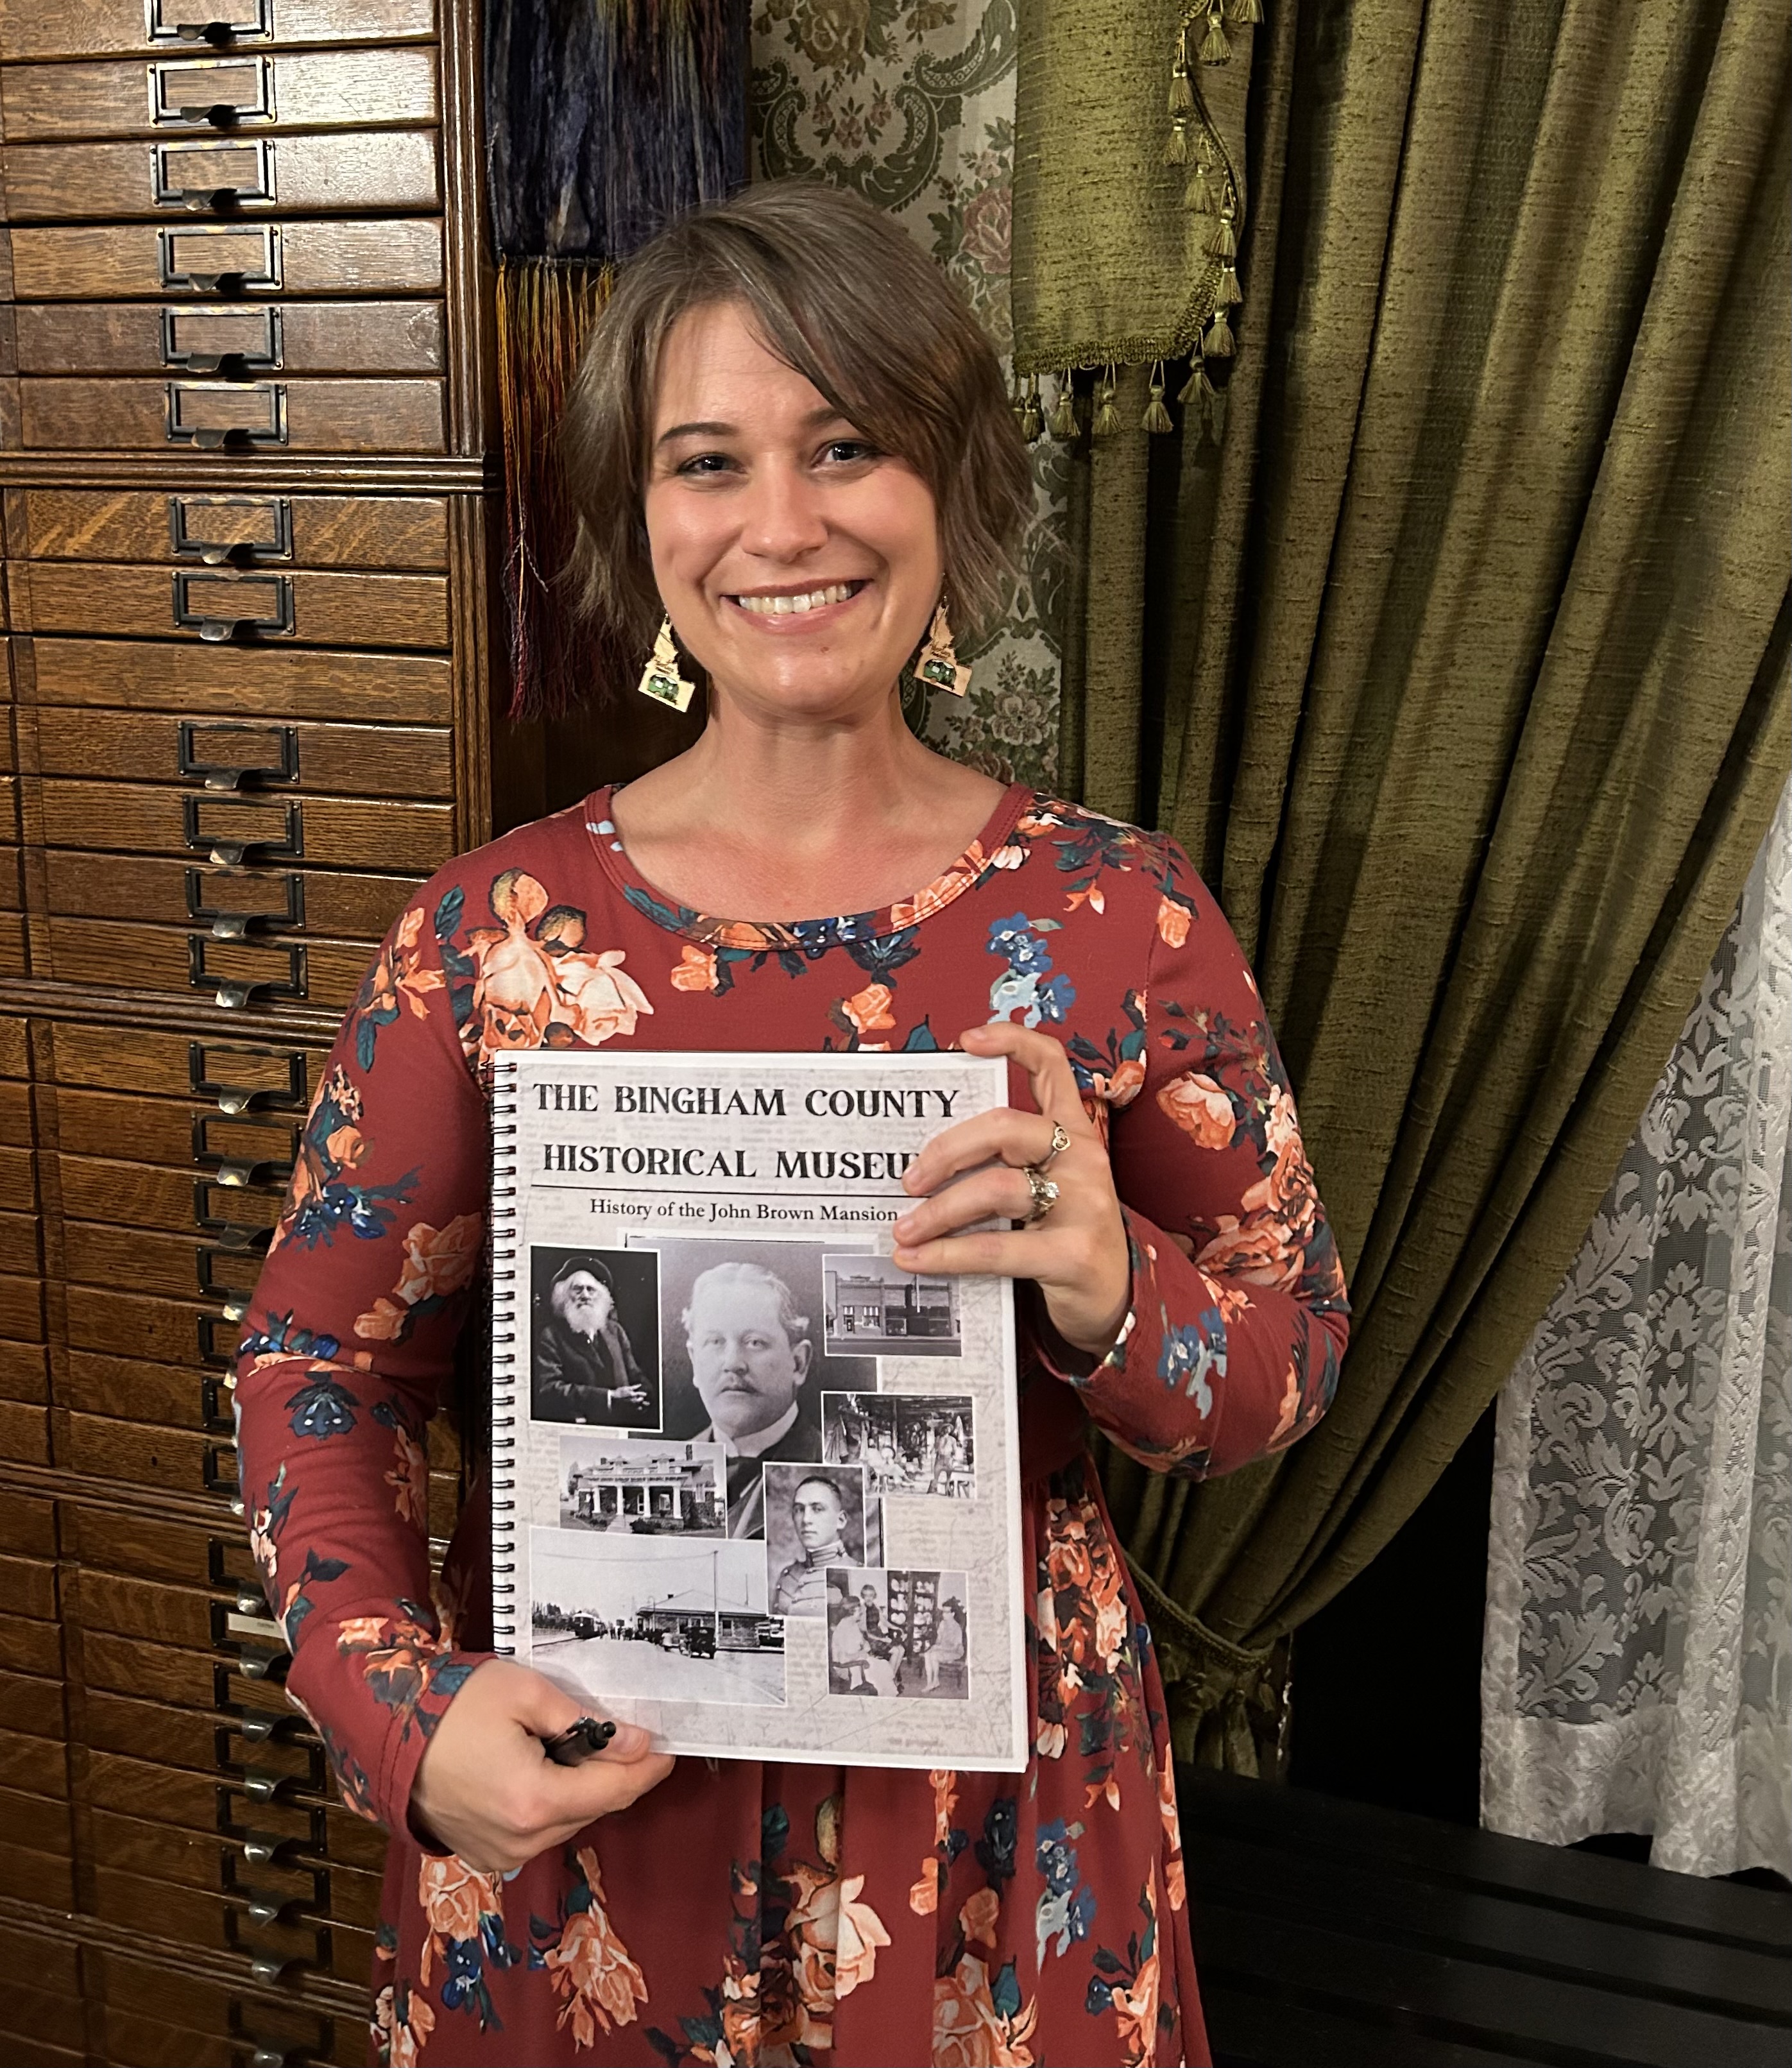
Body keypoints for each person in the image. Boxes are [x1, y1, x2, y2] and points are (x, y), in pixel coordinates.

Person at [234, 180, 1349, 2066]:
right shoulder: (487, 942)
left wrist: (1111, 1285)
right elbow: (311, 1364)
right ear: (640, 517)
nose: (779, 523)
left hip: (996, 1849)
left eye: (846, 446)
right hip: (588, 1824)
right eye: (705, 459)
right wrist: (392, 1707)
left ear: (955, 489)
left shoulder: (1115, 918)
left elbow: (1283, 1363)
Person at [682, 1259, 819, 1534]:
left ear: (799, 1363)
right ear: (694, 1360)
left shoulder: (830, 1466)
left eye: (755, 1342)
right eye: (715, 1342)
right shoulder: (673, 1467)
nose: (733, 1363)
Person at [532, 1256, 653, 1425]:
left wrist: (643, 1397)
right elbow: (549, 1389)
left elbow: (635, 1374)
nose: (585, 1295)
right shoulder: (551, 1336)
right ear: (564, 1297)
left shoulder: (615, 1330)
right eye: (577, 1289)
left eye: (591, 1289)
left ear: (601, 1296)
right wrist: (609, 1399)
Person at [769, 1474, 853, 1616]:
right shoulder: (788, 1576)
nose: (806, 1519)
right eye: (799, 1510)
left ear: (841, 1520)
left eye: (817, 1509)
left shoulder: (853, 1572)